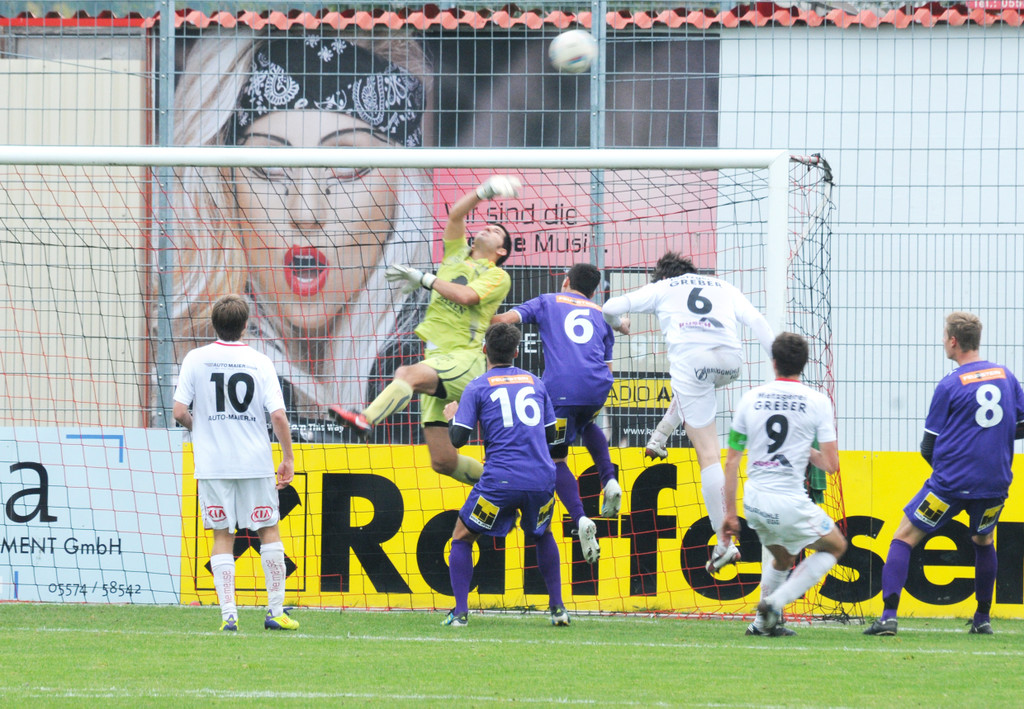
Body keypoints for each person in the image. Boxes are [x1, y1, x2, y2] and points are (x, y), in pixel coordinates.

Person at [169, 30, 433, 442]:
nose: (306, 212)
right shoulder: (185, 361)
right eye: (270, 169)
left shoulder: (428, 358)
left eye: (347, 169)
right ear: (223, 185)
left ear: (404, 184)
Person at [329, 176, 519, 485]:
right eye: (487, 225)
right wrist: (484, 191)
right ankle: (504, 486)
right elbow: (456, 215)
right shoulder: (455, 255)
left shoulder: (497, 276)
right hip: (438, 359)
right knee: (443, 461)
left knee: (407, 374)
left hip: (463, 360)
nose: (488, 228)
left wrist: (424, 278)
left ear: (501, 251)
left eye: (497, 232)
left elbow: (466, 296)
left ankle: (365, 419)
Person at [602, 251, 775, 574]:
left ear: (664, 276)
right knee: (691, 389)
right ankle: (659, 437)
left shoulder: (663, 288)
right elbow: (757, 321)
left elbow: (609, 307)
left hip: (693, 363)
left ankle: (724, 544)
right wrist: (777, 367)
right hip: (731, 362)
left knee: (708, 455)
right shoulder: (724, 286)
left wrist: (618, 325)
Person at [864, 312, 1024, 636]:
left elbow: (928, 445)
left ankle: (888, 617)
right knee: (984, 540)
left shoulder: (951, 384)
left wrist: (948, 474)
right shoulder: (1006, 376)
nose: (942, 341)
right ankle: (982, 619)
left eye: (943, 337)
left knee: (903, 537)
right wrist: (993, 440)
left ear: (953, 341)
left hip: (951, 485)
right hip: (994, 483)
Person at [172, 294, 299, 632]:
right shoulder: (260, 361)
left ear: (214, 324)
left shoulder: (195, 359)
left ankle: (229, 614)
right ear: (245, 326)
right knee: (268, 531)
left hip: (213, 465)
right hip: (254, 463)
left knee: (222, 536)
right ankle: (275, 612)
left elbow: (179, 411)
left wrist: (202, 429)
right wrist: (287, 457)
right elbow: (278, 416)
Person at [492, 263, 630, 563]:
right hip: (597, 387)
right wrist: (621, 324)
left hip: (561, 391)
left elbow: (504, 320)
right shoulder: (601, 314)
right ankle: (609, 480)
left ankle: (580, 518)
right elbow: (608, 366)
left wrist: (472, 316)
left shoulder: (547, 301)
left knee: (556, 460)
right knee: (587, 422)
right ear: (593, 291)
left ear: (566, 281)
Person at [441, 322, 568, 626]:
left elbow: (457, 440)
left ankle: (460, 613)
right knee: (543, 534)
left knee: (462, 536)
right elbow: (554, 438)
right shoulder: (536, 383)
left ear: (485, 349)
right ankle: (558, 609)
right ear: (516, 352)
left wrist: (452, 417)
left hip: (500, 485)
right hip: (541, 480)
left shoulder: (478, 386)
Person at [721, 332, 845, 636]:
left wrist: (730, 514)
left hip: (754, 503)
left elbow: (732, 461)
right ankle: (775, 603)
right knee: (836, 546)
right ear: (804, 364)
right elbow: (831, 465)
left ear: (773, 362)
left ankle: (761, 626)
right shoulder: (817, 401)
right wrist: (806, 450)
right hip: (788, 503)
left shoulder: (750, 399)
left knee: (783, 558)